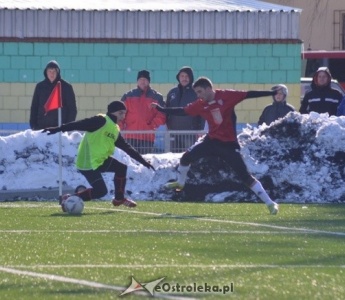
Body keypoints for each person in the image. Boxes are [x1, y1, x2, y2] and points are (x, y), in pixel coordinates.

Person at [151, 76, 279, 215]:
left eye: (200, 92)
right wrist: (161, 109)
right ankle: (180, 183)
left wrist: (271, 93)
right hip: (211, 141)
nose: (198, 96)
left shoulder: (226, 95)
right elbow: (183, 111)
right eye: (196, 93)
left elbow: (248, 94)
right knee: (186, 158)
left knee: (245, 176)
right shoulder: (200, 104)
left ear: (208, 89)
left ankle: (270, 203)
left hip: (229, 145)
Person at [42, 101, 155, 208]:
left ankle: (119, 199)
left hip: (100, 161)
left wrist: (143, 162)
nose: (123, 116)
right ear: (112, 112)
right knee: (101, 191)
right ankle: (70, 199)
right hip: (87, 163)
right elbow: (80, 124)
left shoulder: (115, 129)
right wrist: (58, 129)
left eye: (124, 113)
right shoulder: (101, 120)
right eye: (120, 113)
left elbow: (127, 148)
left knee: (121, 168)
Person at [120, 70, 166, 154]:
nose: (142, 81)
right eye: (140, 79)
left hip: (147, 136)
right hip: (130, 136)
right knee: (130, 162)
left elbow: (162, 115)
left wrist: (152, 125)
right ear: (137, 81)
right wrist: (121, 128)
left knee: (145, 162)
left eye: (145, 79)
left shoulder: (157, 97)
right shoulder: (128, 96)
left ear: (148, 81)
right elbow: (120, 114)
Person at [30, 60, 77, 130]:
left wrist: (67, 127)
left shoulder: (66, 87)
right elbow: (34, 107)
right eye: (50, 71)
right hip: (41, 129)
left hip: (59, 130)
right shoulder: (40, 87)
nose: (52, 74)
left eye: (54, 71)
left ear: (58, 72)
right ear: (46, 72)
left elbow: (72, 109)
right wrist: (34, 125)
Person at [166, 66, 204, 152]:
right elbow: (166, 110)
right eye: (182, 76)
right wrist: (167, 126)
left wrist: (200, 130)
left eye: (187, 76)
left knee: (189, 157)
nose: (184, 78)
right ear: (178, 77)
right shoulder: (172, 92)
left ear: (191, 78)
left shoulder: (196, 92)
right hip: (174, 133)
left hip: (190, 134)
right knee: (174, 158)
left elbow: (202, 113)